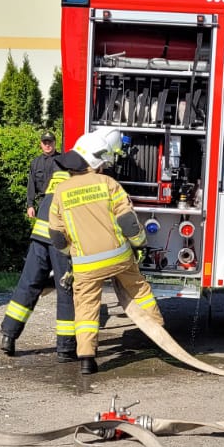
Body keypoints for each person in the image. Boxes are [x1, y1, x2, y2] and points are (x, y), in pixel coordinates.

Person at [47, 127, 163, 375]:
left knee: (86, 308)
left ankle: (87, 359)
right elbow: (128, 223)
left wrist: (72, 252)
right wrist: (139, 243)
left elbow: (56, 235)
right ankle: (159, 336)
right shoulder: (108, 184)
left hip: (85, 265)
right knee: (139, 291)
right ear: (95, 162)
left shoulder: (60, 192)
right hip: (119, 257)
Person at [0, 142, 81, 360]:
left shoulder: (58, 175)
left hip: (39, 235)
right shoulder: (82, 181)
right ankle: (65, 348)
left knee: (29, 284)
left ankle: (8, 335)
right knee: (66, 290)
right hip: (60, 240)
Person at [24, 132, 60, 220]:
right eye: (45, 143)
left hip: (59, 202)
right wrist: (30, 205)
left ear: (55, 143)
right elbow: (31, 186)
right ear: (41, 144)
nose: (47, 145)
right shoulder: (35, 163)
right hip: (42, 202)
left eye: (50, 142)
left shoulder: (62, 160)